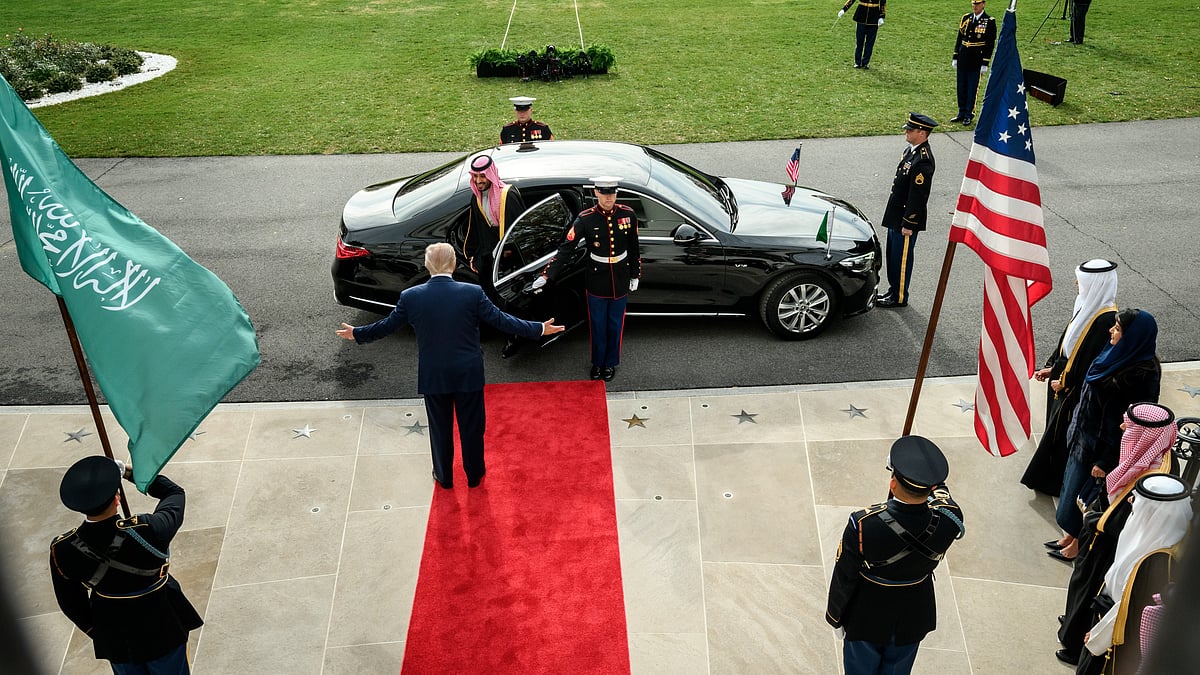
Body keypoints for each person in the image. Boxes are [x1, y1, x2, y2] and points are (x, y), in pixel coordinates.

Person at [337, 243, 563, 488]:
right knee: (472, 428)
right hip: (468, 374)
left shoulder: (411, 297)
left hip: (435, 376)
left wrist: (358, 333)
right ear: (454, 265)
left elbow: (386, 326)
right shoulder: (472, 293)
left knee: (440, 430)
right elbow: (503, 321)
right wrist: (539, 328)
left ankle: (444, 477)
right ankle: (474, 475)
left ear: (427, 265)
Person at [826, 436, 965, 675]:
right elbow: (943, 495)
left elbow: (845, 575)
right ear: (931, 488)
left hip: (867, 614)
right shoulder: (951, 519)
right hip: (914, 612)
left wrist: (835, 617)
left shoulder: (863, 524)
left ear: (892, 483)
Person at [50, 456, 203, 674]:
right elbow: (174, 493)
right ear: (117, 498)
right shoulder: (148, 530)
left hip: (114, 632)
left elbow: (70, 602)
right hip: (162, 623)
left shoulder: (63, 548)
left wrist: (99, 630)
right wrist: (129, 473)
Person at [1056, 404, 1176, 666]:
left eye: (1129, 426)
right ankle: (1072, 623)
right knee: (1081, 583)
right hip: (1102, 533)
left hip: (1108, 544)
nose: (1122, 428)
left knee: (1091, 588)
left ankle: (1076, 643)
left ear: (1145, 434)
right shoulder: (1148, 454)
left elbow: (1126, 519)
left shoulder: (1155, 476)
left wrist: (1093, 520)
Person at [1050, 308, 1161, 562]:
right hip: (1083, 436)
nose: (1111, 331)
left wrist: (1105, 460)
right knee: (1070, 489)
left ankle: (1078, 543)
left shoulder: (1140, 375)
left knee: (1083, 496)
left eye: (1118, 329)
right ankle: (1070, 534)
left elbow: (1129, 424)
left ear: (1132, 336)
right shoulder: (1113, 353)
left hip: (1099, 448)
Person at [1021, 259, 1119, 497]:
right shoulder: (1085, 303)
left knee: (1062, 434)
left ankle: (1053, 482)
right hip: (1061, 376)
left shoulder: (1106, 319)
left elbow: (1091, 363)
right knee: (1053, 428)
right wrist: (1051, 365)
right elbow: (1068, 339)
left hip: (1073, 388)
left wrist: (1065, 381)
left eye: (1081, 280)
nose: (1077, 283)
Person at [1080, 474, 1191, 674]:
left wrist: (1098, 635)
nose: (1131, 501)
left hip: (1115, 635)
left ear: (1155, 512)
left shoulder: (1158, 561)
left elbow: (1132, 606)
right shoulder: (1149, 534)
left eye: (1138, 500)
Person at [533, 177, 640, 382]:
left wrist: (635, 274)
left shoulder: (628, 214)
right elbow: (566, 250)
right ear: (596, 192)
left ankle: (610, 363)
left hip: (620, 277)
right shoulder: (586, 218)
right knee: (598, 324)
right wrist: (547, 274)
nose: (609, 197)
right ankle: (598, 362)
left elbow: (634, 248)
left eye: (612, 193)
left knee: (615, 324)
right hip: (597, 278)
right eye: (604, 193)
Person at [462, 153, 527, 358]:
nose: (479, 181)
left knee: (506, 300)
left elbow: (521, 229)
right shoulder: (477, 196)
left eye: (483, 177)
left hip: (509, 259)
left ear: (491, 175)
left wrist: (509, 253)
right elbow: (475, 228)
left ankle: (513, 337)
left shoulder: (508, 195)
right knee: (487, 297)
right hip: (488, 257)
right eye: (476, 178)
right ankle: (491, 330)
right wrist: (472, 255)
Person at [876, 113, 937, 309]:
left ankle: (900, 296)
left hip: (906, 219)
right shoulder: (911, 151)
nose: (906, 132)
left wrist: (909, 224)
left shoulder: (923, 160)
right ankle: (893, 290)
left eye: (910, 130)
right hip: (896, 215)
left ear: (922, 132)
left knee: (901, 259)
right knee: (893, 256)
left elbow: (918, 196)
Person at [950, 0, 997, 125]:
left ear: (983, 4)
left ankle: (968, 114)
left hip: (976, 59)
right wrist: (955, 56)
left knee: (972, 88)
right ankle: (961, 112)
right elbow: (960, 38)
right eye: (973, 4)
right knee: (961, 86)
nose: (975, 7)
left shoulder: (989, 21)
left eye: (977, 4)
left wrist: (985, 63)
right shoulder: (966, 18)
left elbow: (990, 44)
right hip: (963, 57)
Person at [838, 0, 886, 69]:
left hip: (874, 15)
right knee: (859, 41)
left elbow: (883, 2)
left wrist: (881, 16)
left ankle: (865, 62)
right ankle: (857, 62)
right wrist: (844, 9)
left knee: (870, 42)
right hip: (862, 15)